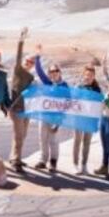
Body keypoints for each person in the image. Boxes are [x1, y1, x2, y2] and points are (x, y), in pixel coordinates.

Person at [32, 45, 67, 173]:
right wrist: (38, 55)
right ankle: (43, 160)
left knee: (53, 140)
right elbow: (39, 70)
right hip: (44, 115)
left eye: (55, 71)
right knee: (42, 138)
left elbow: (67, 104)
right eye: (51, 72)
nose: (53, 74)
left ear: (59, 72)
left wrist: (59, 121)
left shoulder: (64, 86)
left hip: (55, 117)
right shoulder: (48, 82)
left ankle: (53, 162)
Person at [7, 27, 34, 173]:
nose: (29, 63)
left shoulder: (31, 77)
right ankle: (15, 161)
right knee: (18, 134)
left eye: (31, 62)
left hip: (26, 110)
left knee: (23, 135)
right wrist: (21, 41)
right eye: (27, 61)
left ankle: (16, 157)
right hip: (16, 108)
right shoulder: (18, 70)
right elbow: (18, 56)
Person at [72, 62, 102, 175]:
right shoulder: (79, 87)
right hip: (79, 118)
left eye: (91, 74)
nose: (88, 76)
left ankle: (84, 165)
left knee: (87, 142)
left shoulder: (97, 89)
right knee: (77, 141)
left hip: (90, 119)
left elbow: (100, 103)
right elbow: (73, 102)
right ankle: (75, 165)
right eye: (87, 74)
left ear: (94, 76)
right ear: (84, 75)